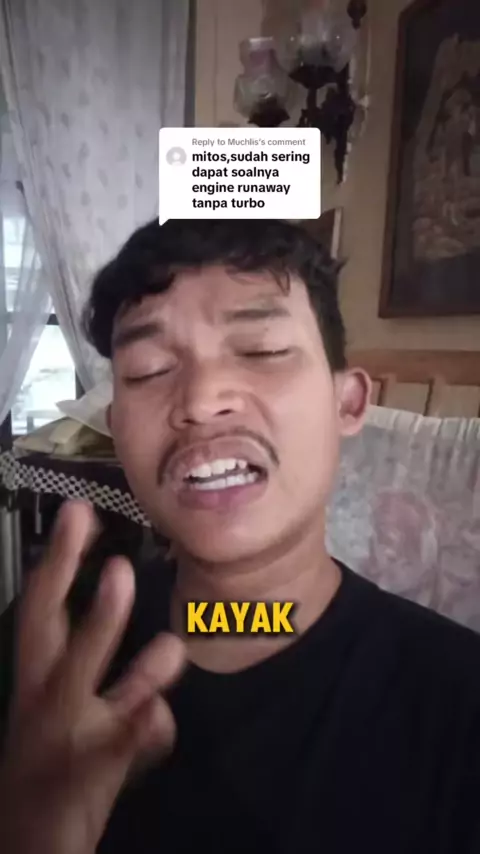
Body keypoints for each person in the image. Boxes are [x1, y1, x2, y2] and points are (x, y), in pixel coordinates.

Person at [0, 218, 480, 854]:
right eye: (148, 369)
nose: (201, 400)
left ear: (347, 404)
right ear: (116, 427)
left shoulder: (459, 706)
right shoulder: (41, 653)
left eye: (261, 351)